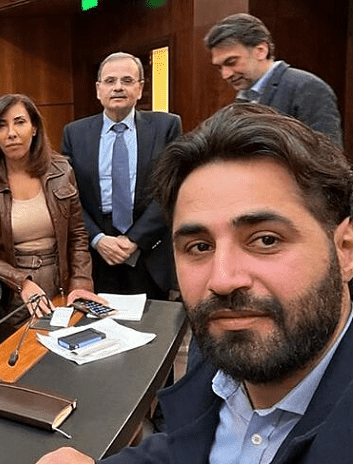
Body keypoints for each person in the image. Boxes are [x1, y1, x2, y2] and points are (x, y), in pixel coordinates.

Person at [37, 104, 353, 463]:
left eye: (265, 240)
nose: (222, 281)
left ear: (345, 250)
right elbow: (188, 447)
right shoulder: (222, 346)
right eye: (199, 247)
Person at [0, 93, 102, 343]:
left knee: (70, 359)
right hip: (14, 294)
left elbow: (77, 235)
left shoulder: (62, 171)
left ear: (35, 127)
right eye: (1, 125)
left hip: (64, 285)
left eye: (19, 122)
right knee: (22, 364)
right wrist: (23, 284)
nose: (11, 133)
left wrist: (81, 282)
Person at [61, 52, 182, 300]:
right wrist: (96, 238)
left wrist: (135, 239)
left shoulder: (166, 127)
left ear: (139, 88)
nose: (118, 87)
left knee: (153, 330)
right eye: (110, 81)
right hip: (96, 252)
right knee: (97, 328)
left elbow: (172, 189)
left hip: (148, 248)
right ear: (98, 89)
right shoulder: (75, 133)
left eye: (127, 80)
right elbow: (69, 197)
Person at [205, 13, 342, 146]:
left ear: (261, 50)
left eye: (231, 62)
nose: (225, 74)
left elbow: (329, 155)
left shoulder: (308, 87)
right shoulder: (243, 97)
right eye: (219, 67)